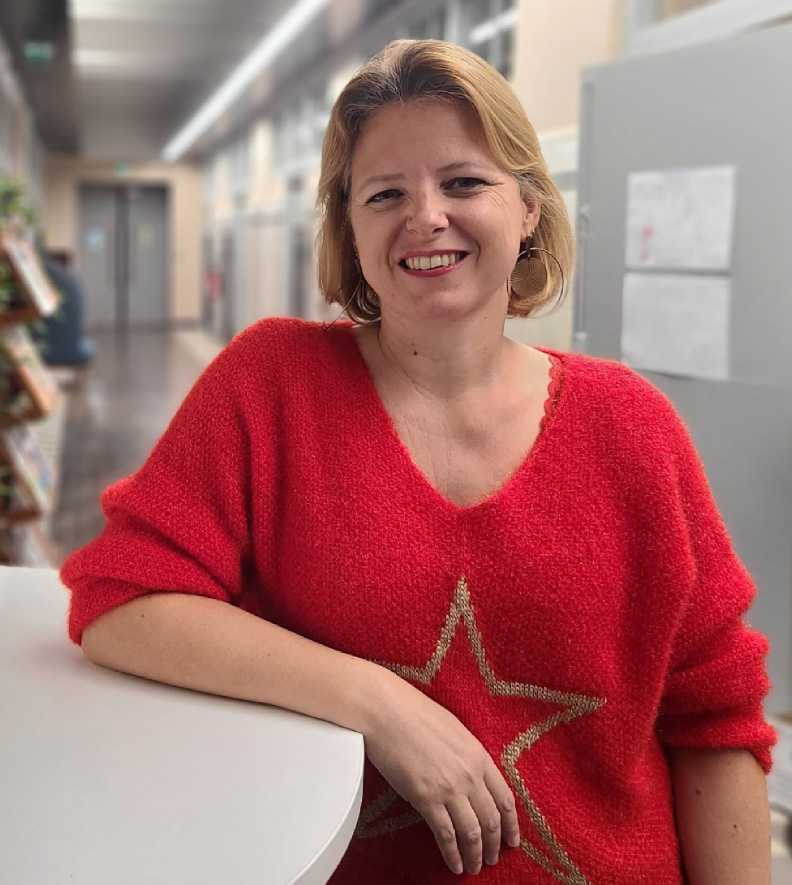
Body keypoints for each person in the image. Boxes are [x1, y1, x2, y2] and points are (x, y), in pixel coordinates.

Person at [60, 40, 776, 884]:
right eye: (385, 193)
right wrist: (378, 702)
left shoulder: (632, 426)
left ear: (529, 208)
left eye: (464, 182)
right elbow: (121, 602)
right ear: (350, 226)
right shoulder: (272, 387)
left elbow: (713, 717)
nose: (426, 216)